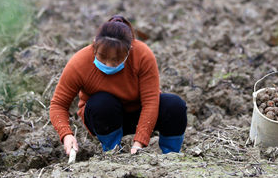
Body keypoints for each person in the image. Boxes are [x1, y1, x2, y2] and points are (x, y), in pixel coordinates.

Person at [50, 15, 187, 156]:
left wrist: (139, 143)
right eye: (102, 57)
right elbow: (58, 104)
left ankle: (171, 155)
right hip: (104, 117)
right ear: (94, 44)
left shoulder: (142, 55)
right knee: (102, 102)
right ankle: (113, 152)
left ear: (129, 51)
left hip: (139, 114)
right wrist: (66, 134)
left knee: (175, 105)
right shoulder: (79, 63)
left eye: (115, 60)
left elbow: (150, 102)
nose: (108, 64)